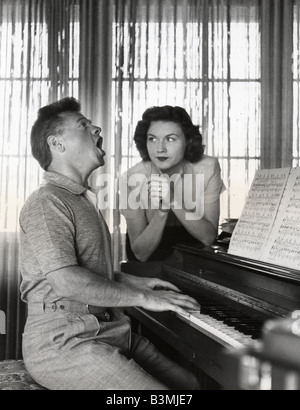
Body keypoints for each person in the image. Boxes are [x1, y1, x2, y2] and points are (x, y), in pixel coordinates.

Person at [19, 98, 201, 391]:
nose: (97, 128)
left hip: (108, 327)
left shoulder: (79, 198)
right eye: (83, 125)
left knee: (191, 384)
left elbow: (88, 270)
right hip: (65, 340)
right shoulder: (47, 201)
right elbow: (66, 281)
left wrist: (135, 283)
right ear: (57, 143)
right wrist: (142, 298)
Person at [121, 106, 225, 262]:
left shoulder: (208, 167)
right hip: (149, 264)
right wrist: (163, 211)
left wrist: (172, 200)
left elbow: (208, 238)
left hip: (193, 259)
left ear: (188, 141)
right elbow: (140, 254)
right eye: (152, 139)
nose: (160, 149)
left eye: (170, 139)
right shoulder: (133, 177)